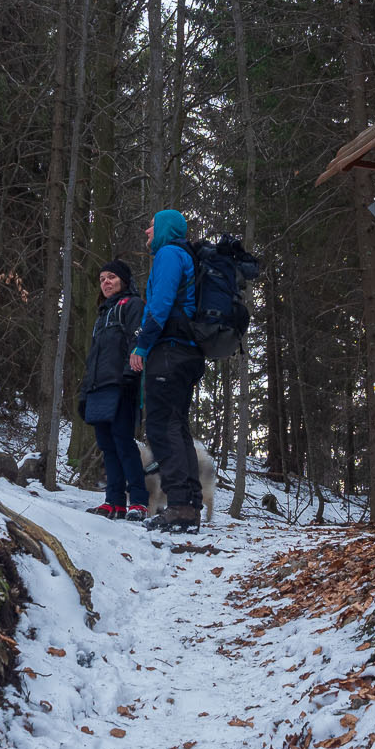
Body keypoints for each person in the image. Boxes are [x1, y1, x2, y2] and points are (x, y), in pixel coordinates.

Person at [130, 209, 204, 532]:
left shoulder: (170, 254)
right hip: (187, 353)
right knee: (176, 426)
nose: (147, 231)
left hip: (170, 352)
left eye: (151, 226)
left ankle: (178, 504)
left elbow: (159, 305)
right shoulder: (185, 256)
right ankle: (189, 503)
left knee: (161, 427)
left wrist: (142, 345)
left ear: (164, 229)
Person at [78, 260, 148, 519]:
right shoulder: (101, 314)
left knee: (123, 441)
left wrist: (131, 376)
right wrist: (85, 393)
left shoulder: (132, 305)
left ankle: (139, 501)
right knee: (106, 444)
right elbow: (93, 357)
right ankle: (114, 502)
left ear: (124, 280)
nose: (105, 282)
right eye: (102, 279)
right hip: (98, 387)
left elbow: (137, 340)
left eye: (111, 277)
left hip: (121, 384)